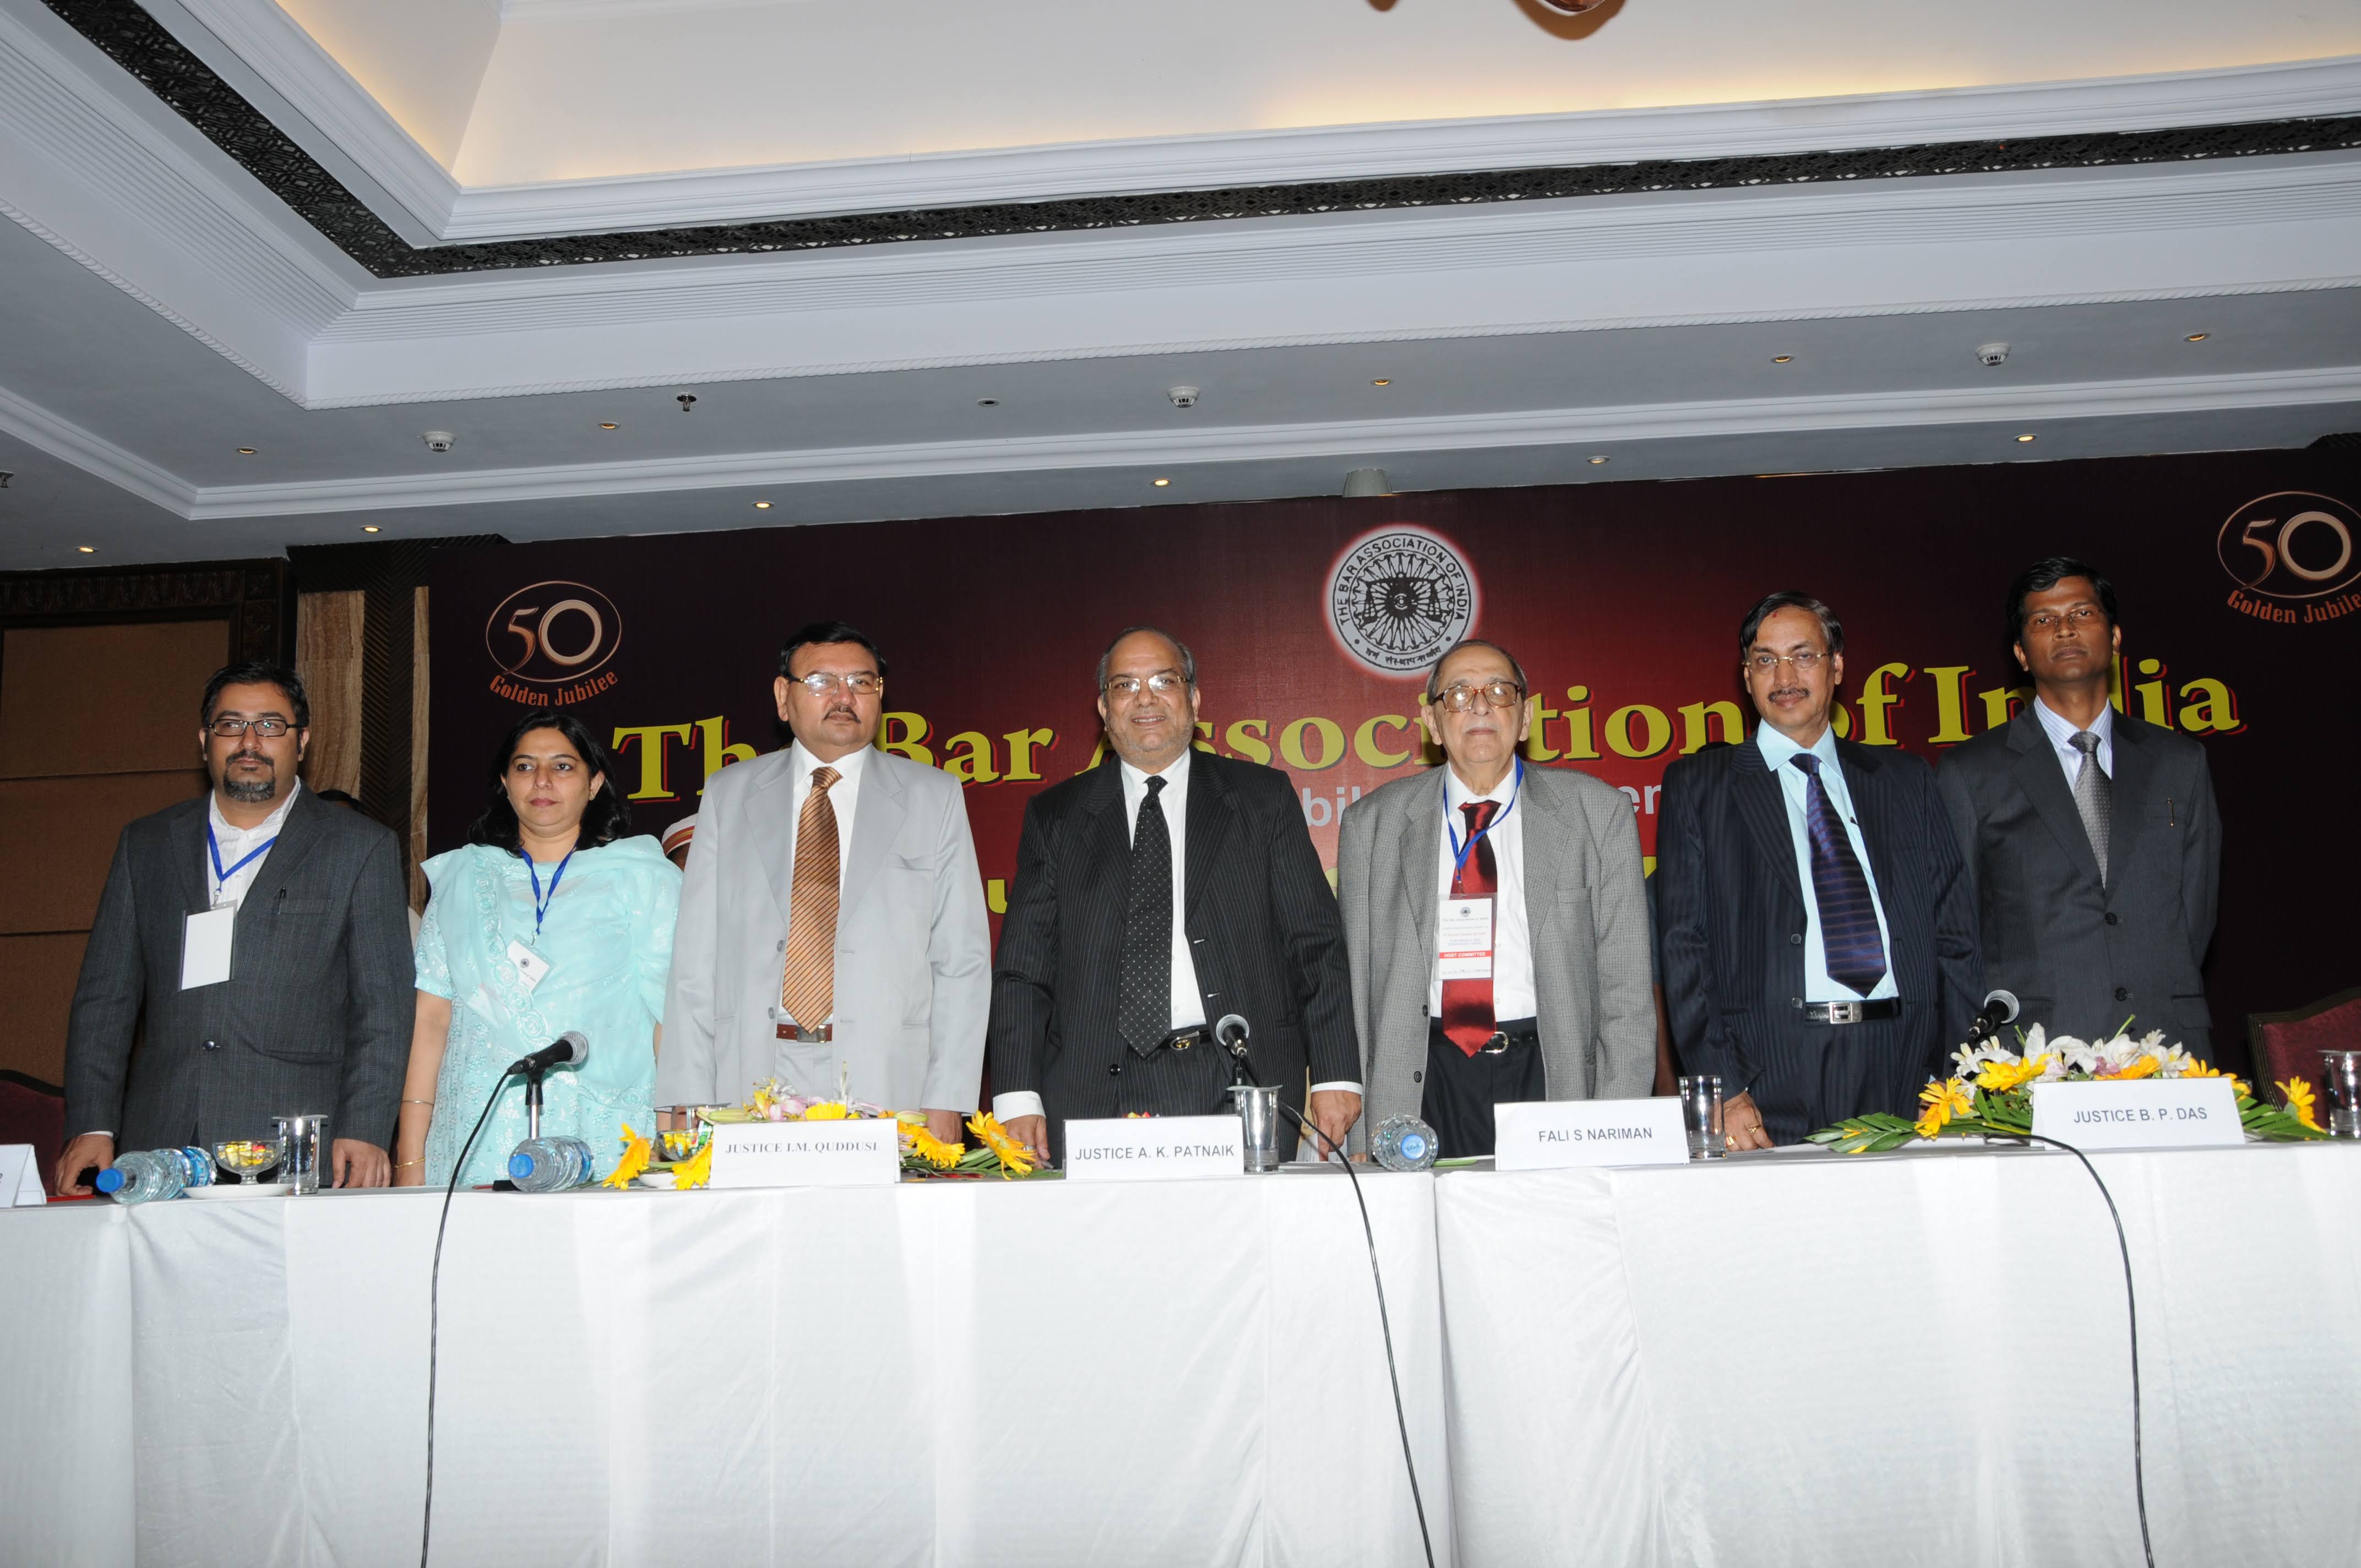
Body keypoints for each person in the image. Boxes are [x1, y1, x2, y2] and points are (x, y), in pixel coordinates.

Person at [988, 627, 1360, 1164]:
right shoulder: (1056, 816)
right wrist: (1017, 1096)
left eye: (1164, 681)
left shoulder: (1261, 799)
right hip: (1094, 1090)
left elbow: (1316, 945)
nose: (1145, 698)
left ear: (1194, 699)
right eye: (1125, 685)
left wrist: (1335, 1073)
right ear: (1104, 708)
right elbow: (1023, 972)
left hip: (1237, 1080)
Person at [55, 661, 414, 1195]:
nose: (250, 741)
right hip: (161, 1139)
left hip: (299, 1141)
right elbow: (105, 999)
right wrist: (92, 1123)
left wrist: (365, 1127)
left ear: (302, 741)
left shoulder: (360, 847)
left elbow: (384, 1008)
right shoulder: (146, 844)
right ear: (205, 740)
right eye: (230, 725)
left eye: (270, 725)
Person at [1657, 594, 1982, 1147]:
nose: (1784, 676)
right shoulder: (1700, 787)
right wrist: (1726, 1089)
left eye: (1803, 655)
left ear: (1837, 667)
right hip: (1771, 1074)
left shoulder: (1905, 780)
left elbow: (1955, 936)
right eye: (1765, 660)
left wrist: (1958, 1071)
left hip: (1905, 1067)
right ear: (1746, 676)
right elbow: (1684, 948)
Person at [658, 622, 988, 1146]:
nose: (844, 697)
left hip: (887, 1077)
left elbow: (961, 962)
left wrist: (948, 1099)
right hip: (749, 1072)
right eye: (821, 681)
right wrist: (685, 1092)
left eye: (862, 682)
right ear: (782, 696)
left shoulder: (934, 796)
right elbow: (694, 962)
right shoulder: (729, 793)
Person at [1337, 638, 1654, 1157]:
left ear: (1525, 718)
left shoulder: (1598, 814)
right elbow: (1353, 993)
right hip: (1423, 1081)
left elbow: (1628, 993)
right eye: (1459, 694)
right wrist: (1360, 1130)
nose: (1481, 706)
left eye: (1500, 691)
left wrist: (1618, 1123)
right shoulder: (1372, 825)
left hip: (1550, 1076)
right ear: (1432, 722)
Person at [1937, 558, 2222, 1054]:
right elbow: (1955, 931)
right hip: (2034, 1050)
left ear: (2115, 637)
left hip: (2167, 1041)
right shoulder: (1970, 772)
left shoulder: (2180, 761)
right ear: (2021, 654)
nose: (2065, 628)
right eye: (2043, 620)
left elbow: (2196, 914)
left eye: (2082, 613)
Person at [394, 713, 679, 1186]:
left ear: (595, 783)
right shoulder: (464, 880)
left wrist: (671, 1146)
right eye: (525, 767)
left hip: (602, 1132)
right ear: (505, 784)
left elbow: (672, 1021)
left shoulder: (643, 878)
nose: (542, 780)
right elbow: (432, 1019)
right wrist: (410, 1159)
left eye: (563, 766)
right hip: (476, 1128)